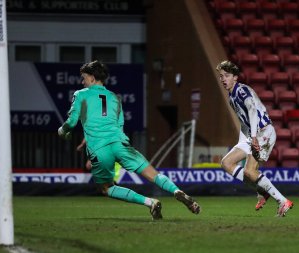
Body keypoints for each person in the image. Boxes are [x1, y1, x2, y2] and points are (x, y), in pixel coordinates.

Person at [58, 60, 200, 220]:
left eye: (83, 78)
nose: (82, 82)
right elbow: (119, 126)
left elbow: (71, 122)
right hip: (120, 144)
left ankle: (149, 202)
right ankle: (176, 191)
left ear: (91, 78)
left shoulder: (81, 94)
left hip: (99, 149)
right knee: (153, 174)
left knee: (107, 188)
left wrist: (62, 131)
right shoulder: (114, 98)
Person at [216, 60, 293, 217]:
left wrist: (254, 138)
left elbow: (251, 110)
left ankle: (283, 201)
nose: (223, 79)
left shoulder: (241, 91)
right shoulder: (231, 97)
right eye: (221, 76)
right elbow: (244, 122)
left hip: (263, 132)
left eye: (227, 75)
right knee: (227, 163)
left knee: (250, 171)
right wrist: (245, 142)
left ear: (235, 77)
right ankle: (261, 190)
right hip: (251, 135)